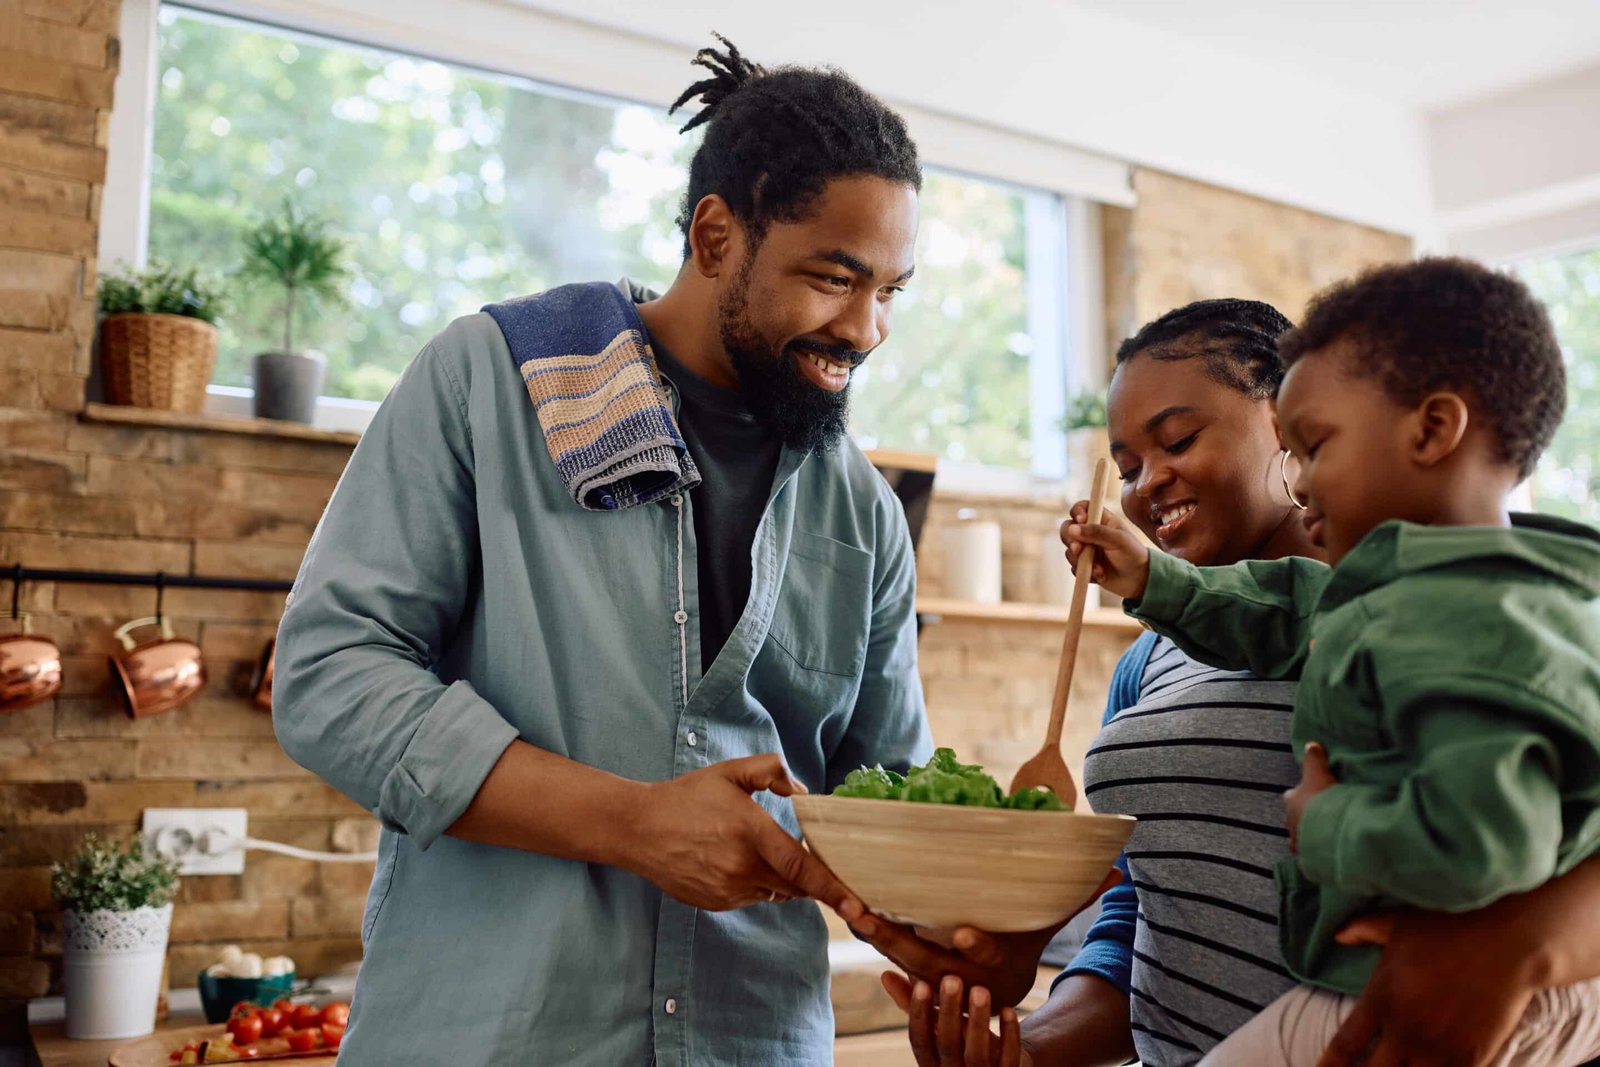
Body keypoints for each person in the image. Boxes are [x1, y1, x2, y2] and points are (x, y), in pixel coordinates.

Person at [273, 35, 932, 1066]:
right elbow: (327, 676)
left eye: (891, 290)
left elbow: (887, 792)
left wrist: (960, 918)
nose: (867, 328)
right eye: (834, 279)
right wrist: (632, 822)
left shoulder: (864, 514)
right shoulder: (486, 381)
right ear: (716, 236)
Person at [875, 296, 1600, 1067]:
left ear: (1281, 416)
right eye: (1126, 467)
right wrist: (1029, 1050)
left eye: (1178, 439)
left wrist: (1512, 946)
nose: (1148, 482)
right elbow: (1142, 906)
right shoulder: (1154, 658)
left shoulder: (1493, 608)